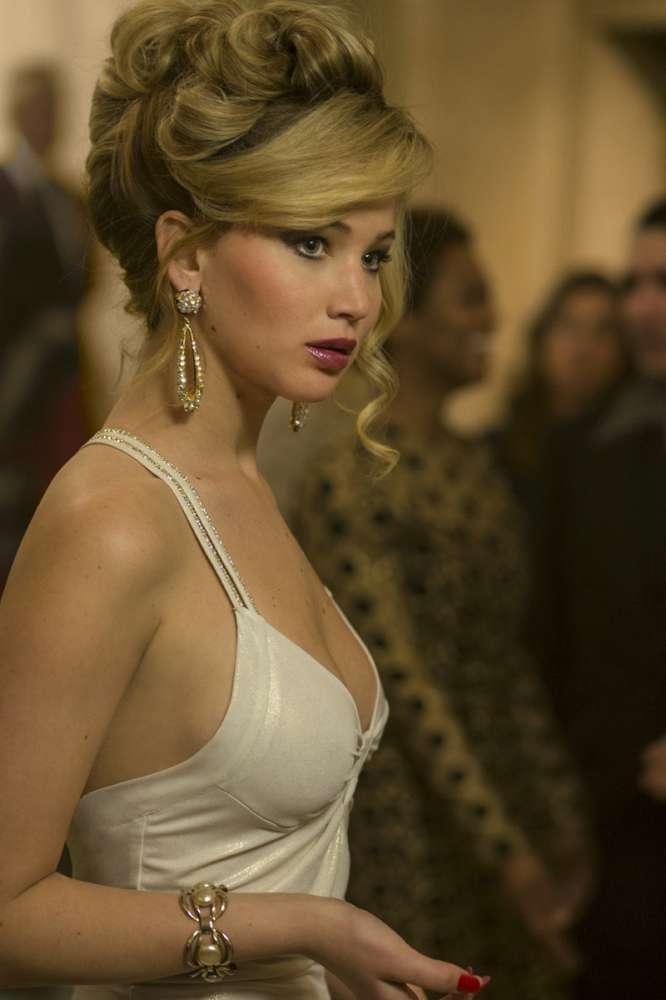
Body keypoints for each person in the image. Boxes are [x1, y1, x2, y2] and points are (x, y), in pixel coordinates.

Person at [0, 3, 490, 1000]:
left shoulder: (245, 484)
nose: (358, 298)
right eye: (311, 242)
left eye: (373, 253)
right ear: (185, 255)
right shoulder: (112, 518)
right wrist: (305, 926)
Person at [295, 208, 593, 1000]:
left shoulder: (476, 469)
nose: (493, 318)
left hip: (497, 807)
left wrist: (557, 810)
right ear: (407, 317)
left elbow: (505, 660)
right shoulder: (350, 479)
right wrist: (508, 850)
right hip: (405, 823)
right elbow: (405, 686)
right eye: (470, 298)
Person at [535, 197, 666, 998]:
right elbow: (555, 646)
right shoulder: (584, 451)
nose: (642, 308)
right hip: (609, 825)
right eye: (634, 283)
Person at [0, 61, 91, 592]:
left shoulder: (68, 197)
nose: (46, 120)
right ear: (16, 114)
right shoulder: (4, 191)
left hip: (63, 372)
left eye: (53, 110)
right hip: (13, 367)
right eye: (36, 109)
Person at [494, 271, 626, 522]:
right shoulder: (495, 450)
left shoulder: (631, 456)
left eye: (603, 331)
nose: (583, 348)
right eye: (569, 326)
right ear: (541, 338)